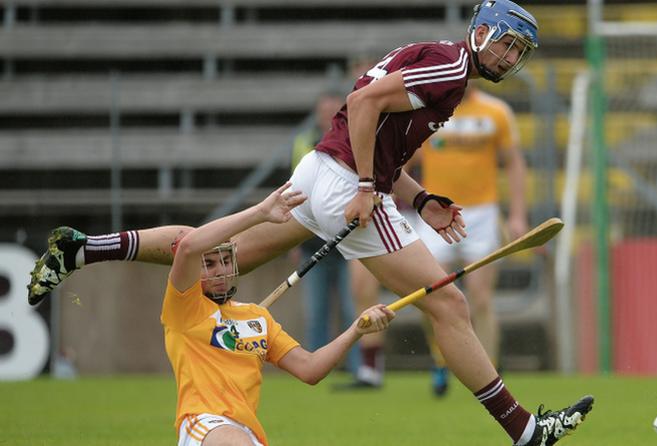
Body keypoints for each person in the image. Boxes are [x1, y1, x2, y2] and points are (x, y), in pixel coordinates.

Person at [28, 2, 593, 445]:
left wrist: (419, 201)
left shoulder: (435, 57)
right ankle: (524, 431)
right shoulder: (450, 70)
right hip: (347, 180)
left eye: (517, 52)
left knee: (227, 255)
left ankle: (84, 250)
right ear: (481, 31)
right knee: (449, 305)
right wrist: (369, 188)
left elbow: (376, 130)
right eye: (504, 44)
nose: (506, 58)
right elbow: (368, 105)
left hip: (323, 169)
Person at [163, 181, 395, 445]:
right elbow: (188, 247)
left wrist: (355, 330)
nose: (219, 271)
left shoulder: (257, 318)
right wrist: (260, 213)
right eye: (209, 264)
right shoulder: (183, 308)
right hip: (204, 424)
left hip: (247, 430)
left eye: (225, 261)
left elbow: (310, 369)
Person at [412, 84, 528, 397]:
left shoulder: (496, 111)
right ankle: (440, 359)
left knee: (481, 298)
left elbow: (514, 162)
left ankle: (491, 376)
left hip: (482, 215)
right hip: (437, 212)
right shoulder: (428, 113)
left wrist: (517, 215)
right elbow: (404, 160)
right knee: (427, 293)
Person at [291, 90, 361, 379]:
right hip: (310, 242)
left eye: (334, 110)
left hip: (346, 241)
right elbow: (295, 187)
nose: (329, 116)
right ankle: (314, 365)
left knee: (350, 308)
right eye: (325, 110)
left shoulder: (354, 139)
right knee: (316, 311)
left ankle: (360, 369)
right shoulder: (304, 143)